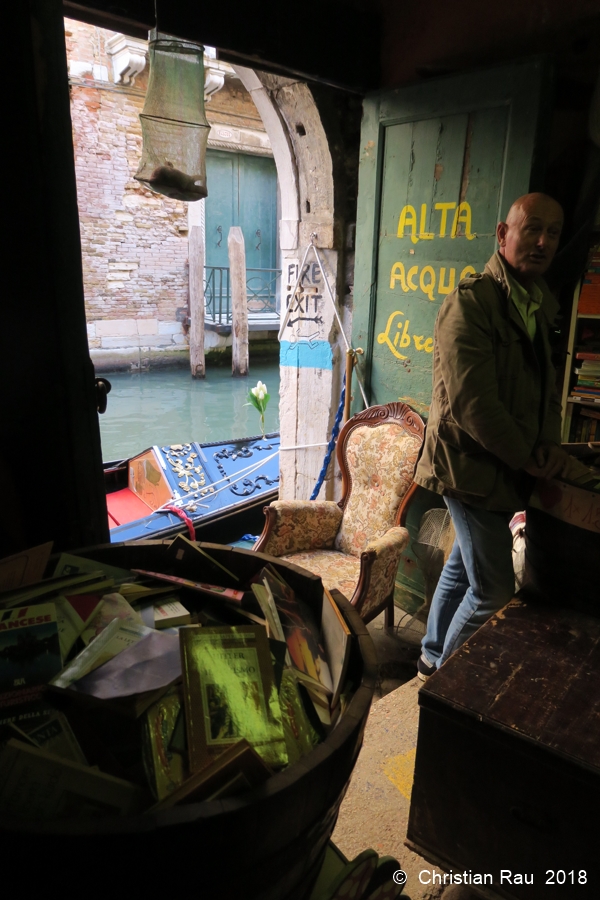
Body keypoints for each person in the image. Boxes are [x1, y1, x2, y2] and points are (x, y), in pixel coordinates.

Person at [414, 192, 570, 680]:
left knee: (465, 567)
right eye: (533, 229)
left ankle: (428, 656)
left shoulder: (540, 304)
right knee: (493, 591)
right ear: (503, 234)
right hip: (468, 469)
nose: (543, 242)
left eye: (554, 234)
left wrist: (549, 445)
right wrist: (529, 457)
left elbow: (544, 388)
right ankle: (443, 686)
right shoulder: (471, 303)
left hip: (504, 470)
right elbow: (474, 406)